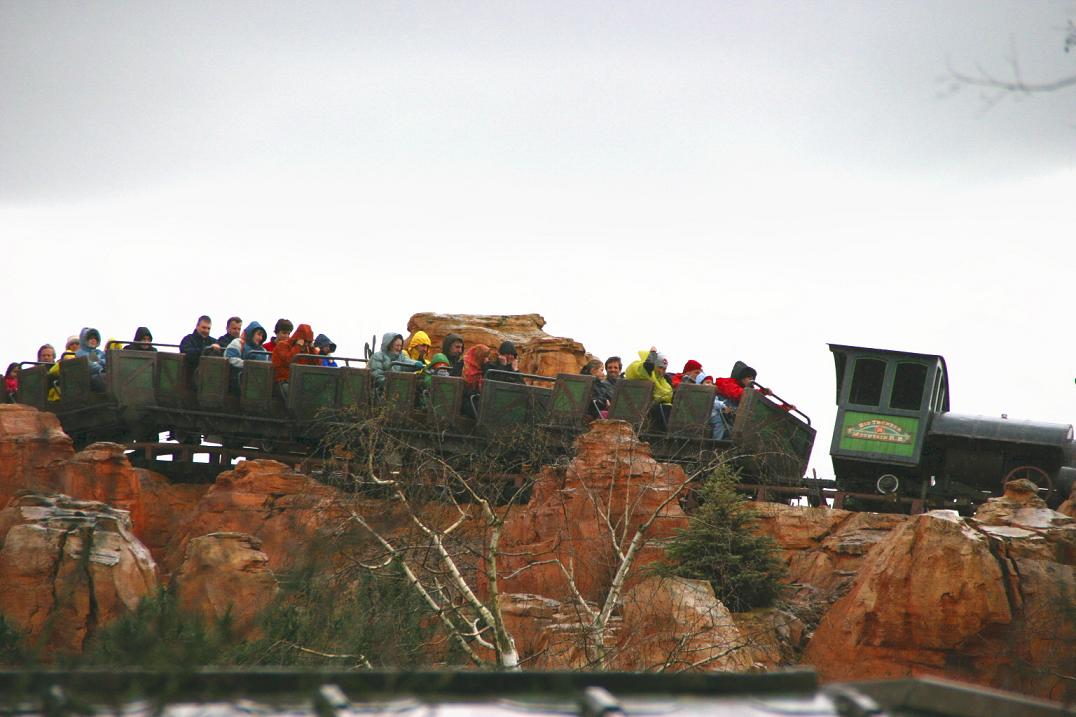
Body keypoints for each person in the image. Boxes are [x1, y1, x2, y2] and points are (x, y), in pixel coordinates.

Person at [625, 347, 674, 430]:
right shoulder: (645, 370)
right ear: (654, 365)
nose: (662, 371)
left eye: (664, 369)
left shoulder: (664, 381)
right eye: (659, 367)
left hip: (658, 412)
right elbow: (640, 370)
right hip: (642, 411)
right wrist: (651, 357)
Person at [272, 323, 317, 397]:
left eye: (308, 342)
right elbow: (289, 361)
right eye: (304, 341)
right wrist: (298, 346)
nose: (306, 344)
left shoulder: (307, 350)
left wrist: (312, 349)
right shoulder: (282, 345)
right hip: (283, 381)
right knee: (292, 392)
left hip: (301, 382)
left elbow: (316, 365)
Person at [225, 320, 268, 394]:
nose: (261, 338)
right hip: (239, 380)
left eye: (262, 336)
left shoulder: (263, 350)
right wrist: (248, 365)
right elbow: (230, 358)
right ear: (251, 333)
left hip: (259, 383)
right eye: (258, 334)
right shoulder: (238, 343)